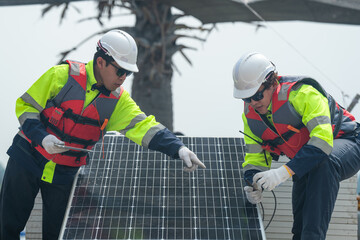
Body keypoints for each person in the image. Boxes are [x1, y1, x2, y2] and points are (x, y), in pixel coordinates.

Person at [0, 29, 206, 240]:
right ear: (101, 62)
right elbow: (26, 106)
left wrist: (178, 148)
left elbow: (144, 126)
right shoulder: (61, 76)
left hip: (64, 173)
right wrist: (41, 137)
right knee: (7, 228)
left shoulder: (119, 102)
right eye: (120, 71)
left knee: (58, 235)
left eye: (129, 73)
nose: (123, 78)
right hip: (26, 159)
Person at [233, 52, 360, 240]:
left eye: (257, 95)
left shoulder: (302, 94)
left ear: (272, 83)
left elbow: (322, 142)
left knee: (325, 164)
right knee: (299, 229)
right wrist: (252, 183)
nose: (253, 102)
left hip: (349, 142)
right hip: (306, 160)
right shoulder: (250, 117)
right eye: (246, 98)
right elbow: (255, 156)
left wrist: (283, 172)